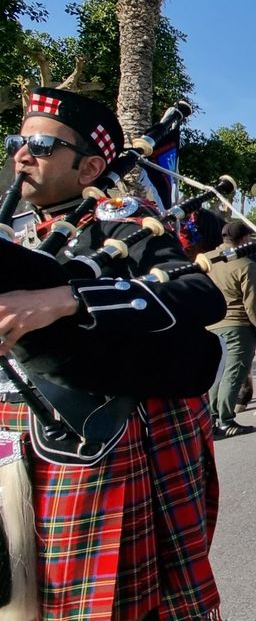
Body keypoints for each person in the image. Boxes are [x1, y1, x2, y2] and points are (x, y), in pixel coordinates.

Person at [0, 87, 225, 618]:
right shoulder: (16, 232)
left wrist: (68, 298)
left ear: (90, 167)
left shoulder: (120, 222)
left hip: (84, 440)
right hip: (14, 440)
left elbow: (199, 294)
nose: (22, 154)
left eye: (41, 145)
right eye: (18, 140)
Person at [206, 220, 256, 437]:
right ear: (245, 239)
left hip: (212, 325)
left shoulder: (208, 259)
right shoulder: (245, 265)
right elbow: (252, 304)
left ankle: (211, 416)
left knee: (216, 373)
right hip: (237, 325)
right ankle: (225, 420)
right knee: (234, 373)